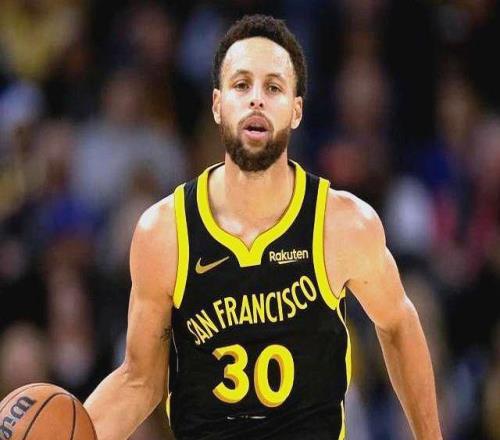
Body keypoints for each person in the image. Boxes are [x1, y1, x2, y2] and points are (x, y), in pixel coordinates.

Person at [84, 15, 442, 440]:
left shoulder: (343, 223)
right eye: (241, 85)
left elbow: (398, 323)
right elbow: (139, 381)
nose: (256, 99)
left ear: (296, 110)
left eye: (273, 88)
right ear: (217, 105)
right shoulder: (165, 232)